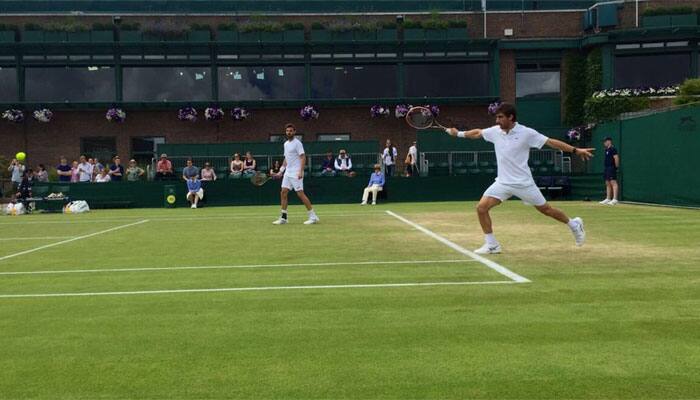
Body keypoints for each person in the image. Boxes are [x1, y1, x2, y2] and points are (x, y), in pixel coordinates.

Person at [445, 102, 594, 254]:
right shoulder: (496, 131)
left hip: (524, 183)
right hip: (502, 183)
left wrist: (575, 150)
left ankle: (574, 224)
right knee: (481, 208)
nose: (497, 121)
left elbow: (550, 142)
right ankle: (492, 245)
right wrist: (458, 133)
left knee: (546, 210)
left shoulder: (527, 133)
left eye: (500, 117)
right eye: (496, 117)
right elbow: (477, 133)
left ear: (511, 117)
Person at [272, 123, 319, 225]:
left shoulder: (297, 143)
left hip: (296, 172)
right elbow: (286, 158)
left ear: (294, 132)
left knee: (300, 194)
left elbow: (303, 157)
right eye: (287, 131)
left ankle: (313, 216)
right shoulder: (285, 144)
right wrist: (281, 171)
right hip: (288, 173)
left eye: (290, 131)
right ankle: (284, 218)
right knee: (283, 192)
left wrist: (301, 171)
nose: (289, 132)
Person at [600, 137, 620, 205]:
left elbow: (616, 158)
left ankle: (615, 199)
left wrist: (616, 167)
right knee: (607, 183)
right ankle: (608, 198)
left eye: (605, 141)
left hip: (612, 167)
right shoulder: (606, 150)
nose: (604, 143)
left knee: (613, 182)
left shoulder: (613, 149)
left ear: (609, 141)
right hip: (606, 167)